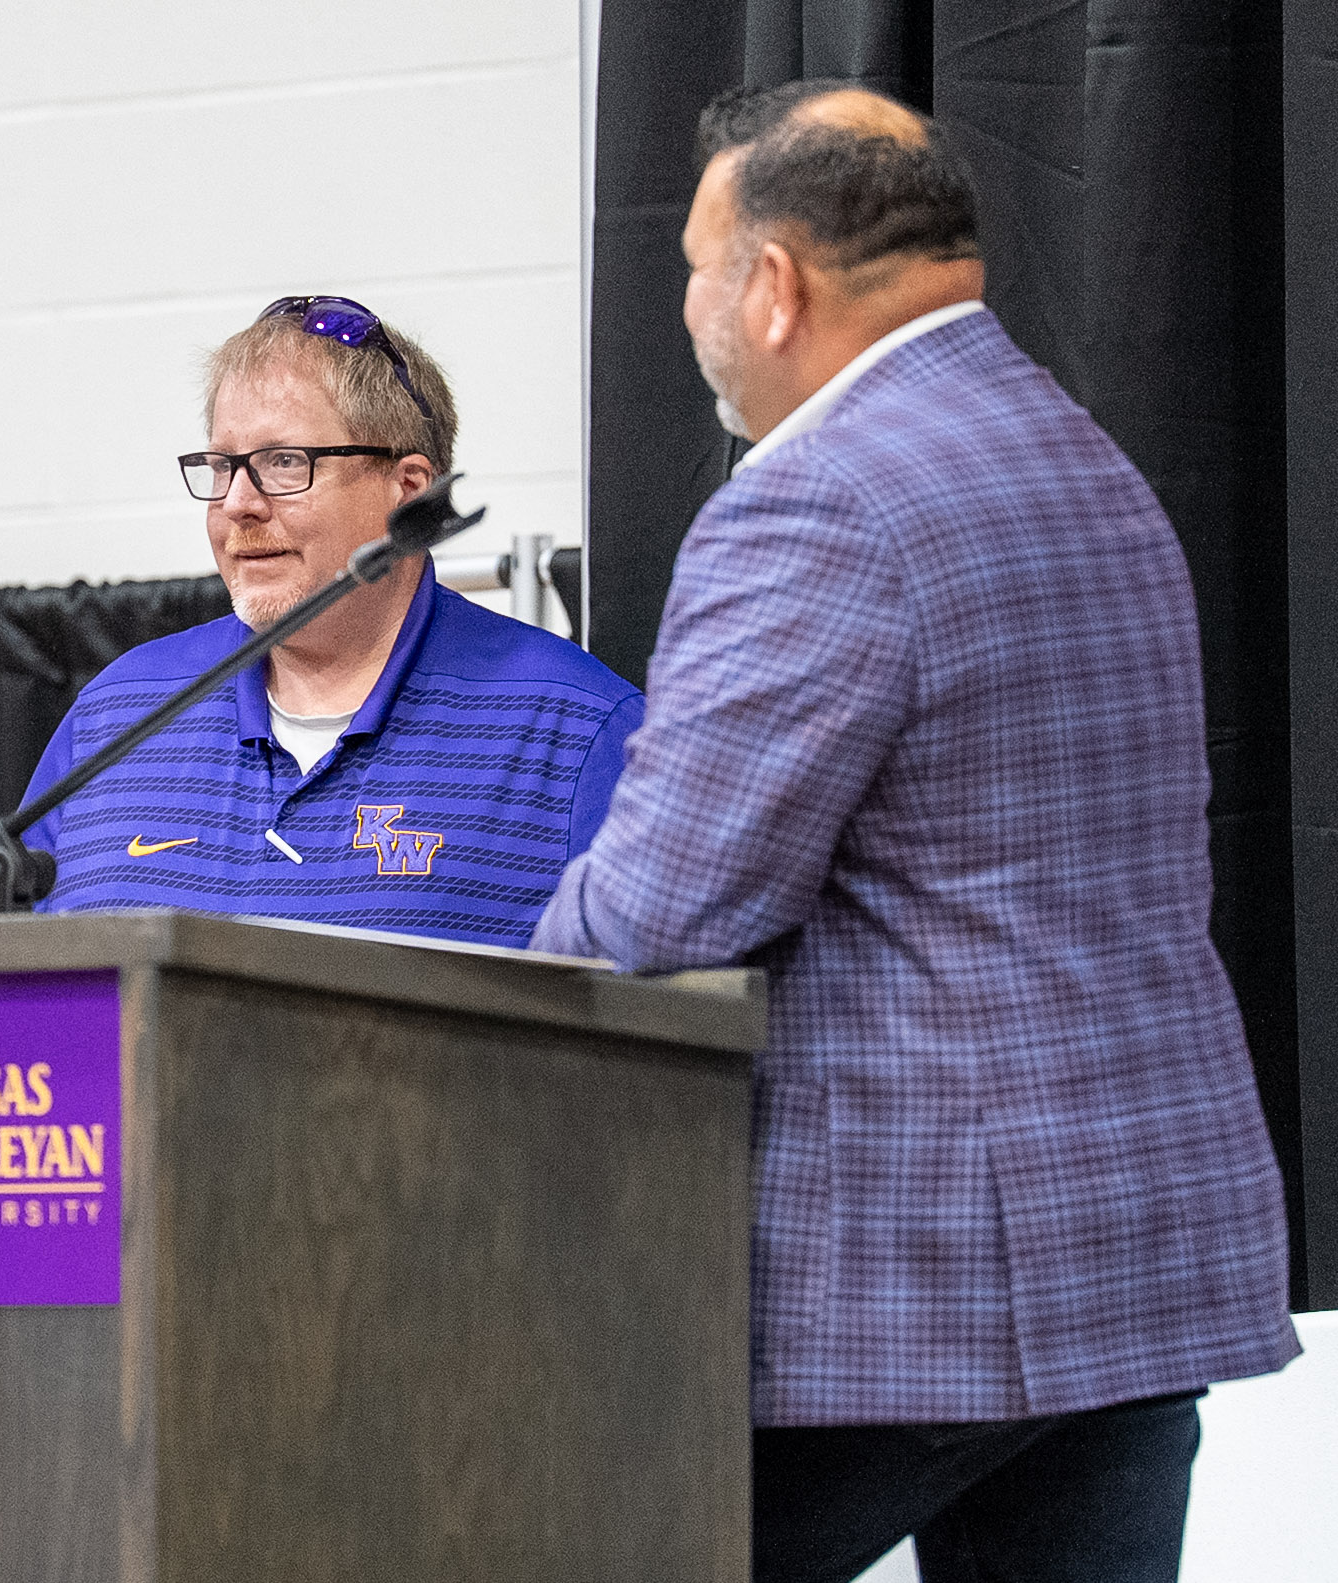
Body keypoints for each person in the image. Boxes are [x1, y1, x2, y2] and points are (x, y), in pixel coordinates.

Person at [532, 83, 1298, 1582]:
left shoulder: (814, 502)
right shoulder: (1083, 462)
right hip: (1130, 1248)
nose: (683, 308)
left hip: (923, 1278)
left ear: (769, 285)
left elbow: (654, 917)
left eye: (692, 267)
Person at [21, 296, 641, 943]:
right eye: (221, 467)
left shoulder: (576, 733)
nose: (236, 504)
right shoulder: (116, 713)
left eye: (283, 463)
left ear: (408, 491)